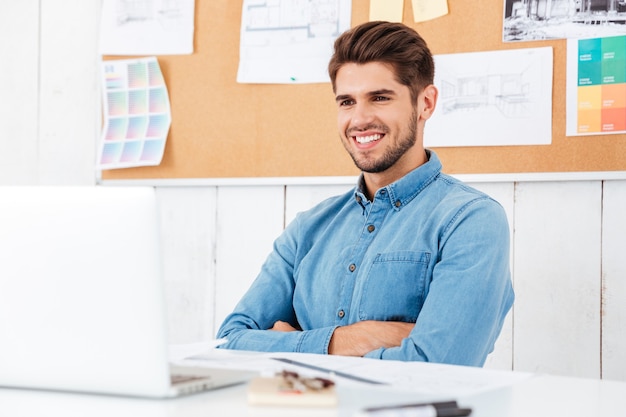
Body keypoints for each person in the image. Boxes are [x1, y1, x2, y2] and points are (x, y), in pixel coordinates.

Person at [216, 21, 514, 366]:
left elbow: (438, 365)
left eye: (380, 98)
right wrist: (360, 337)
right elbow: (230, 341)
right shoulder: (308, 229)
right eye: (346, 101)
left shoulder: (471, 221)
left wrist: (293, 345)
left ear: (426, 103)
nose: (359, 119)